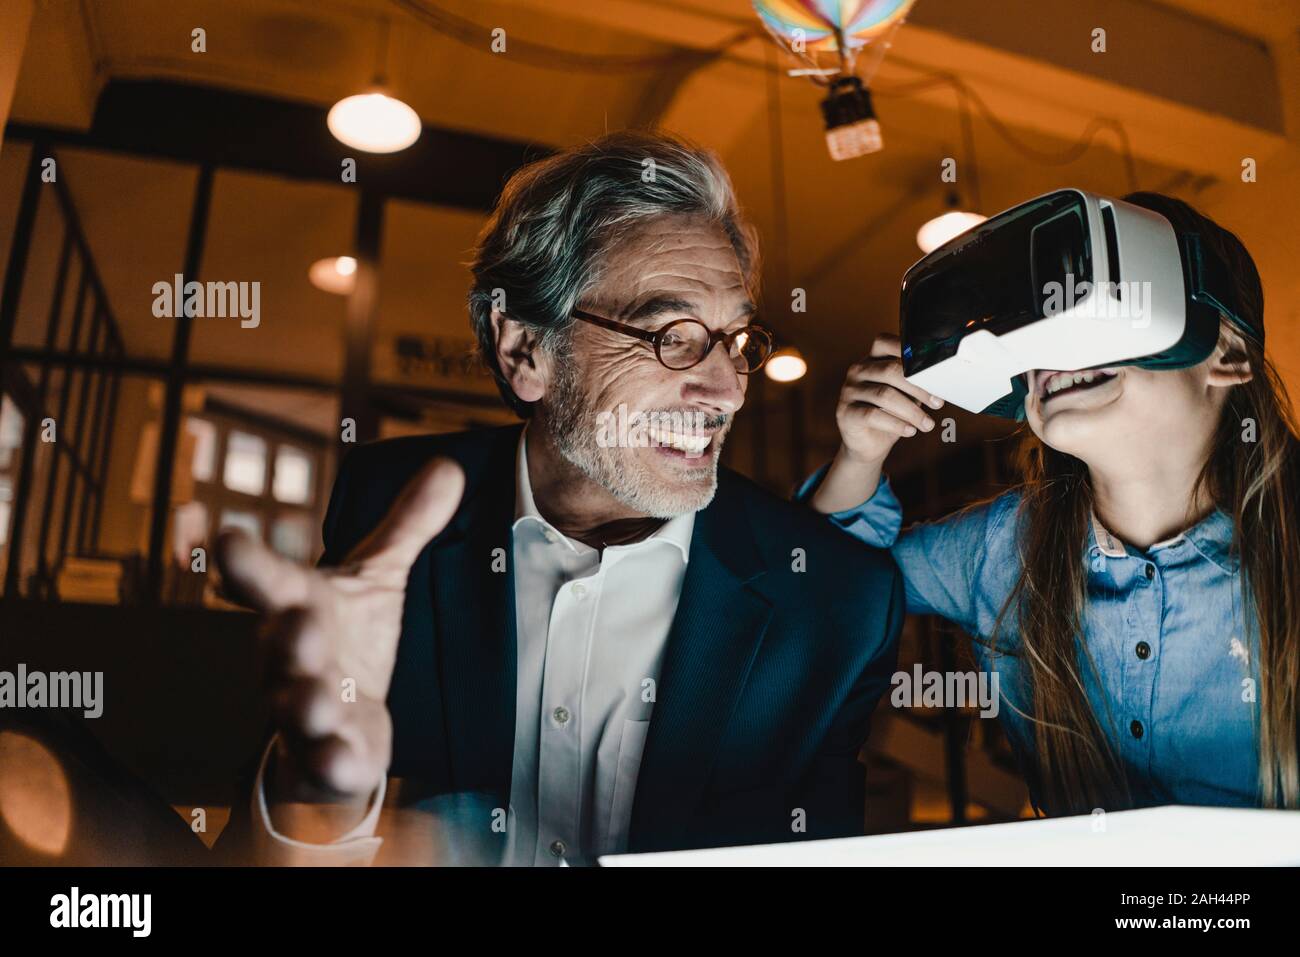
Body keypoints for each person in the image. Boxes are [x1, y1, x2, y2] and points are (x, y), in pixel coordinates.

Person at [215, 130, 903, 865]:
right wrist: (320, 806)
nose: (728, 388)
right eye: (673, 334)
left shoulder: (837, 605)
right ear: (526, 352)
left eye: (736, 340)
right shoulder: (391, 515)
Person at [802, 192, 1300, 816]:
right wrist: (859, 453)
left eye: (1096, 309)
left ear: (1225, 354)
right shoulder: (998, 550)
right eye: (1035, 328)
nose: (1051, 348)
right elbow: (815, 591)